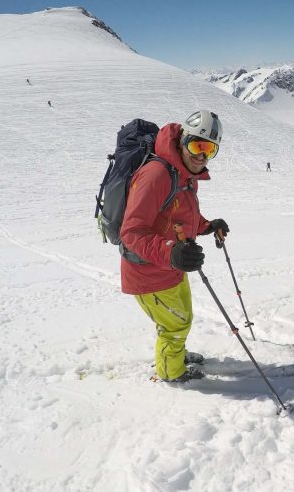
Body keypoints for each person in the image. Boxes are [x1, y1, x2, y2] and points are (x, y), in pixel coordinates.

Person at [120, 110, 230, 383]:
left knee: (183, 318)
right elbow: (131, 232)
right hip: (149, 271)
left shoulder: (181, 173)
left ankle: (175, 353)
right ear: (182, 141)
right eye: (197, 145)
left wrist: (206, 226)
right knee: (175, 324)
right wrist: (172, 252)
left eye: (209, 150)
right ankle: (172, 373)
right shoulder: (156, 174)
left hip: (170, 267)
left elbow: (177, 213)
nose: (201, 156)